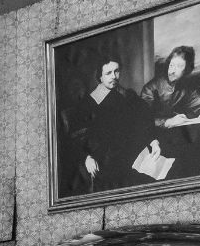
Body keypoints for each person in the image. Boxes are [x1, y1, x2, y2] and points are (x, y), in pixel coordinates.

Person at [141, 46, 200, 179]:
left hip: (177, 139)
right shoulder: (151, 88)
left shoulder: (185, 88)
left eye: (178, 66)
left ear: (187, 70)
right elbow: (142, 119)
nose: (172, 70)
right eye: (171, 65)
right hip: (152, 139)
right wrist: (167, 122)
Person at [64, 60, 151, 194]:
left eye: (116, 71)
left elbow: (144, 119)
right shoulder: (88, 103)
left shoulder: (128, 95)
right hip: (103, 155)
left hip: (129, 149)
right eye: (108, 73)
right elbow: (76, 137)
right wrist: (86, 158)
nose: (114, 76)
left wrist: (153, 141)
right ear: (100, 76)